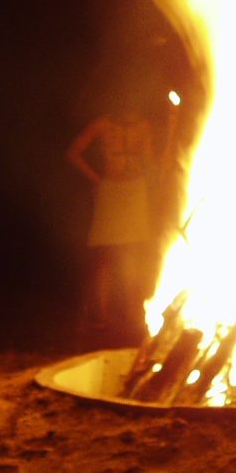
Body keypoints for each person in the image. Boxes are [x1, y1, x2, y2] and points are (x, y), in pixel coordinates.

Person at [67, 99, 160, 335]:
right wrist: (96, 179)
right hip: (110, 189)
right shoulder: (102, 125)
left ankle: (132, 314)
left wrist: (163, 159)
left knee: (130, 254)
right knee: (106, 255)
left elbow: (150, 161)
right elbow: (73, 153)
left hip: (135, 190)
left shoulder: (143, 126)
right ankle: (101, 314)